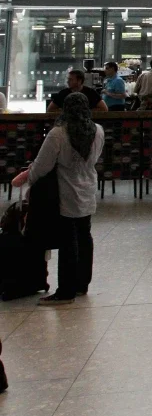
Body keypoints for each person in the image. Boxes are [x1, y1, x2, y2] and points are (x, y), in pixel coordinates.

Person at [12, 92, 105, 304]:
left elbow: (42, 166)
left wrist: (27, 178)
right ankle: (82, 285)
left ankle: (66, 290)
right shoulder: (98, 130)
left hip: (64, 190)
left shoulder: (58, 134)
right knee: (84, 236)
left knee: (67, 240)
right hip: (88, 186)